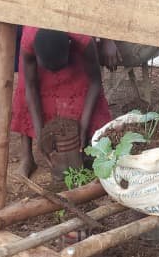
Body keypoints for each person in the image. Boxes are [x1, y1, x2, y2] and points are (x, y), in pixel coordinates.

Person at [11, 27, 111, 177]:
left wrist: (83, 128)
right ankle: (27, 157)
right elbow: (30, 87)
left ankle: (87, 146)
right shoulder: (28, 43)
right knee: (23, 92)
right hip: (38, 54)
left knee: (81, 94)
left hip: (72, 54)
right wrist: (40, 136)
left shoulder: (83, 40)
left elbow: (95, 82)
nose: (53, 73)